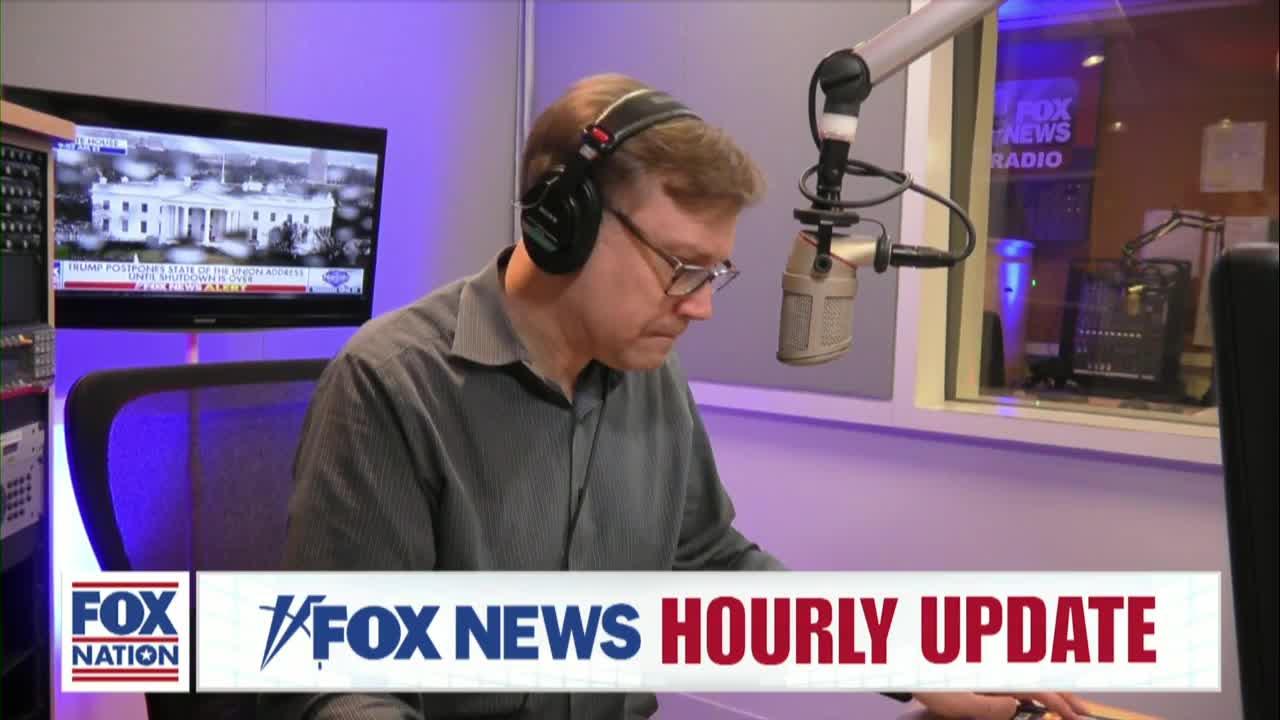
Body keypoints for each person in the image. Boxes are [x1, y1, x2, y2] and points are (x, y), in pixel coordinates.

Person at [262, 74, 1091, 720]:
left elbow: (709, 562)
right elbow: (335, 681)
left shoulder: (649, 376)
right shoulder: (392, 383)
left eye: (713, 272)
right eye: (682, 267)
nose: (701, 306)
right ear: (562, 224)